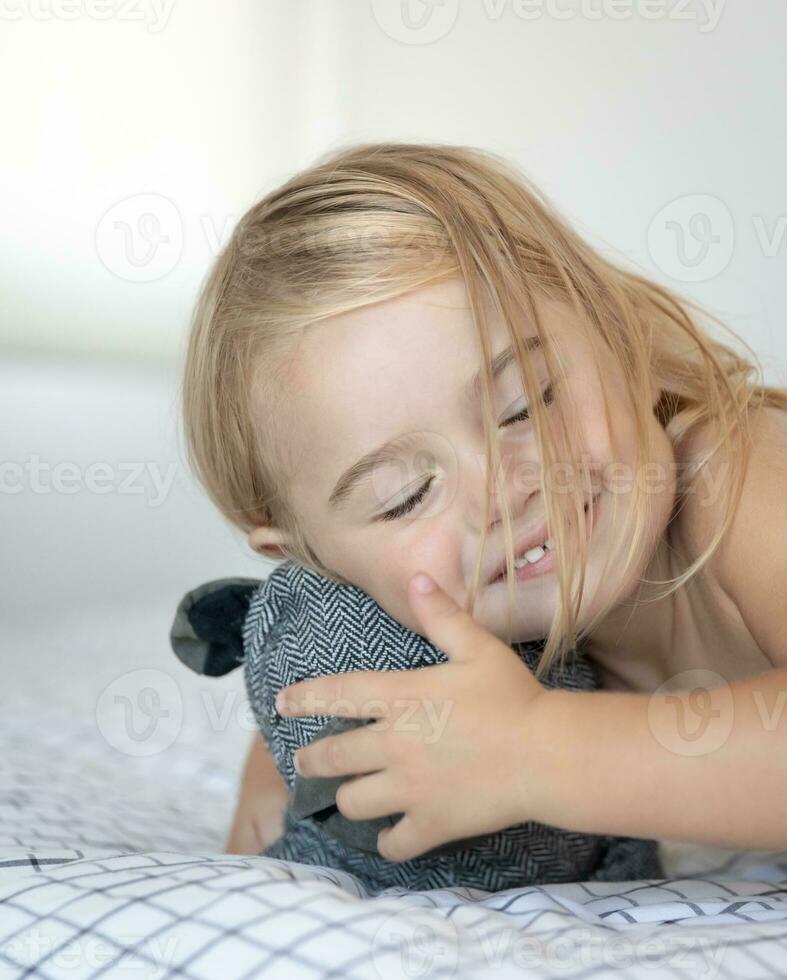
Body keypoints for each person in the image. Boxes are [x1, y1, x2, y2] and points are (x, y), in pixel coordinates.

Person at [180, 141, 787, 864]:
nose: (503, 491)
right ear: (318, 564)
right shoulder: (444, 609)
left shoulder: (738, 475)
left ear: (613, 328)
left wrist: (539, 751)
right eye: (404, 497)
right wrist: (279, 766)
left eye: (526, 404)